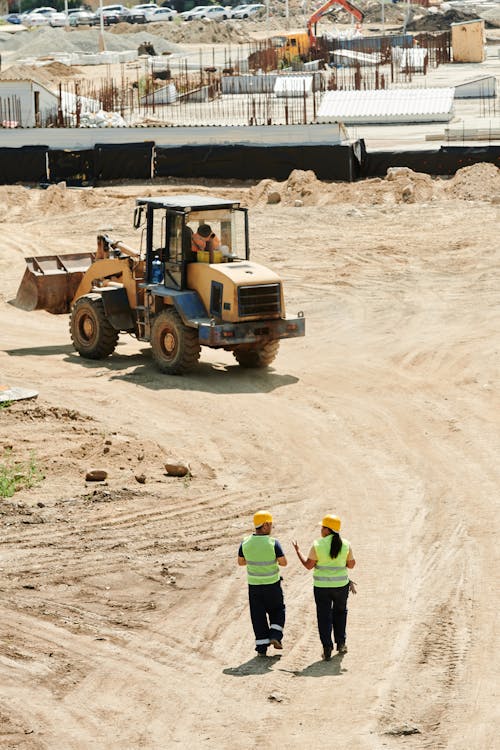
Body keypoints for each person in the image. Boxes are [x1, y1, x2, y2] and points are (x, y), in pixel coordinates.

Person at [292, 514, 356, 661]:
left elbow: (309, 565)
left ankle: (327, 647)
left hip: (322, 588)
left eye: (322, 527)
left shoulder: (317, 545)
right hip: (341, 586)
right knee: (340, 613)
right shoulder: (346, 544)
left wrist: (298, 551)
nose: (321, 530)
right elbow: (351, 565)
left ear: (327, 530)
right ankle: (341, 643)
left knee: (324, 616)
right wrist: (340, 563)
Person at [238, 510, 287, 657]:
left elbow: (241, 562)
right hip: (272, 585)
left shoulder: (245, 542)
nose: (272, 527)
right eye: (271, 524)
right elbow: (283, 562)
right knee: (278, 610)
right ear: (265, 525)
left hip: (254, 587)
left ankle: (261, 648)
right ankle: (275, 635)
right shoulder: (273, 543)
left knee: (257, 616)